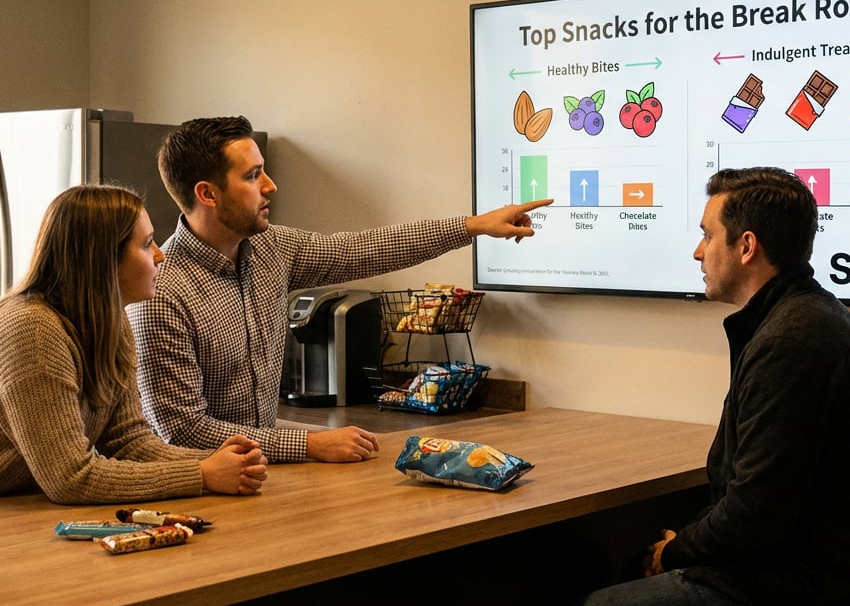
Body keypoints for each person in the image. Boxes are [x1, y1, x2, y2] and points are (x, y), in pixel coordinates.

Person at [566, 167, 850, 606]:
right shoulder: (804, 317)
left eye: (708, 236)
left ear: (746, 246)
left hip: (832, 601)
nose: (697, 252)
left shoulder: (790, 343)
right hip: (839, 581)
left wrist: (674, 553)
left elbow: (755, 515)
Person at [128, 115, 550, 463]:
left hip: (257, 477)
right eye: (253, 175)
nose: (271, 185)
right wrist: (309, 444)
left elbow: (365, 250)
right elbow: (184, 432)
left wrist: (474, 227)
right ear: (208, 194)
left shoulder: (270, 248)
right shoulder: (161, 294)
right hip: (196, 492)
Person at [0, 184, 268, 506]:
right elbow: (71, 479)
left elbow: (129, 441)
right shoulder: (34, 332)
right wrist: (200, 474)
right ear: (102, 261)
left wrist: (217, 462)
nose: (160, 254)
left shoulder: (112, 322)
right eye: (147, 244)